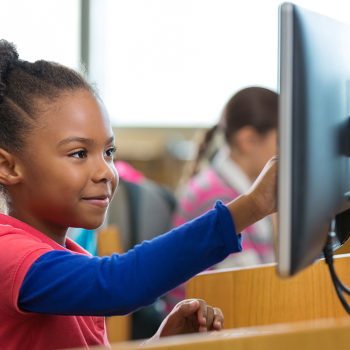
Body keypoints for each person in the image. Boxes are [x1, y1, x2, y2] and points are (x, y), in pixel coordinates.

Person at [0, 39, 277, 350]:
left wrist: (156, 344)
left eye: (109, 152)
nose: (106, 171)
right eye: (79, 153)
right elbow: (118, 284)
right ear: (7, 167)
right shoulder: (9, 256)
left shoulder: (71, 254)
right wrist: (252, 206)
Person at [173, 87, 278, 269]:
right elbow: (244, 284)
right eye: (281, 141)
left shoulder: (237, 188)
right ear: (248, 140)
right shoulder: (215, 196)